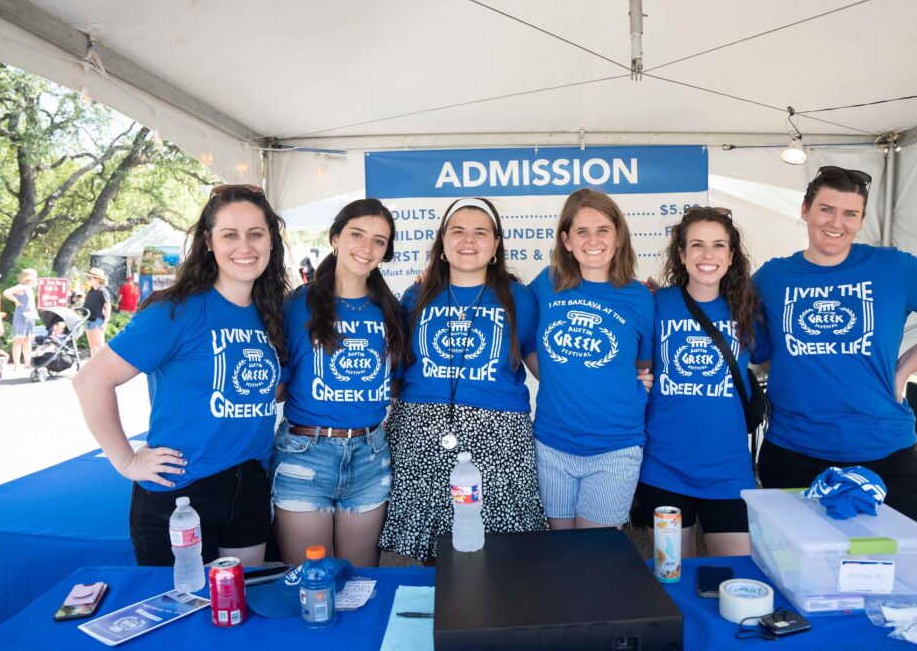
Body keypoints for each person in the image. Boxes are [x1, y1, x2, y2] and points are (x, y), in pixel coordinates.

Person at [752, 166, 917, 524]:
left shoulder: (894, 267)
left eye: (850, 213)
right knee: (794, 568)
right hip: (793, 449)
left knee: (897, 568)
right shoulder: (772, 277)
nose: (836, 222)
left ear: (860, 221)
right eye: (826, 209)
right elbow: (759, 349)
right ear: (805, 210)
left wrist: (905, 367)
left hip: (883, 448)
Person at [73, 184, 291, 566]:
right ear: (208, 242)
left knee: (240, 610)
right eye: (230, 235)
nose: (245, 246)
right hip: (181, 494)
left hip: (250, 486)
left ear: (271, 240)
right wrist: (126, 461)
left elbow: (266, 392)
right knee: (185, 617)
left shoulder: (270, 312)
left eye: (256, 234)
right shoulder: (175, 311)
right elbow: (91, 379)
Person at [379, 197, 548, 562]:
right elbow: (398, 366)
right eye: (457, 231)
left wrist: (616, 377)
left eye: (480, 232)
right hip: (421, 434)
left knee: (496, 548)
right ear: (442, 242)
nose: (468, 240)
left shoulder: (520, 298)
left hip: (500, 436)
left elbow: (540, 360)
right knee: (430, 550)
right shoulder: (415, 295)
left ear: (496, 244)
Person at [272, 199, 404, 567]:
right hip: (305, 454)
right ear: (335, 238)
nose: (366, 248)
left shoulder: (391, 309)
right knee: (311, 583)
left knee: (358, 584)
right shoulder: (297, 304)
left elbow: (394, 381)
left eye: (379, 241)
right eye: (357, 235)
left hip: (370, 455)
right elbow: (277, 382)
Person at [637, 207, 761, 557]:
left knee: (736, 576)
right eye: (697, 245)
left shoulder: (748, 308)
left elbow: (771, 359)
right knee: (673, 577)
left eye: (719, 245)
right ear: (681, 253)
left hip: (728, 469)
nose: (708, 255)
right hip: (663, 468)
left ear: (731, 254)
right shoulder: (656, 304)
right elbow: (637, 365)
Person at [529, 188, 654, 530]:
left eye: (603, 230)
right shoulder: (547, 283)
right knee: (558, 552)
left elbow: (644, 366)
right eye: (581, 231)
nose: (593, 240)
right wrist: (555, 376)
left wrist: (638, 381)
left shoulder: (640, 298)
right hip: (553, 444)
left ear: (618, 237)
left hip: (615, 447)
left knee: (594, 558)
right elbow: (522, 335)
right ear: (566, 241)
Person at [2, 268, 38, 370]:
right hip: (22, 316)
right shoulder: (21, 287)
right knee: (19, 340)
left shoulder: (29, 288)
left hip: (30, 317)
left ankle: (28, 363)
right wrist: (15, 301)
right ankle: (17, 365)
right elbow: (6, 292)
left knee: (27, 340)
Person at [83, 268, 112, 356]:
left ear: (97, 280)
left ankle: (104, 366)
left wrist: (106, 321)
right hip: (88, 319)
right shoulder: (90, 291)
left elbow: (108, 306)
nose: (88, 280)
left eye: (90, 278)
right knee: (92, 346)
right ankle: (93, 366)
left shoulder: (102, 291)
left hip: (97, 320)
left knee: (99, 346)